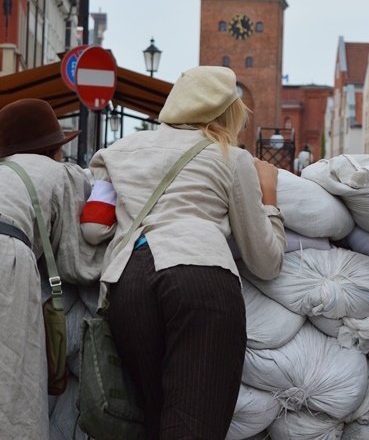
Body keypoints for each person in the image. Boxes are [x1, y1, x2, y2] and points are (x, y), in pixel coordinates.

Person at [81, 66, 286, 438]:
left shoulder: (116, 152)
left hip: (128, 284)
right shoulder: (230, 157)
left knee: (155, 418)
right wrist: (269, 199)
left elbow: (93, 227)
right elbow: (266, 261)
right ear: (229, 112)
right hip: (199, 276)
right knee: (195, 423)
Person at [0, 99, 90, 440]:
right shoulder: (59, 174)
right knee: (13, 386)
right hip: (6, 257)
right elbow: (74, 261)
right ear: (54, 149)